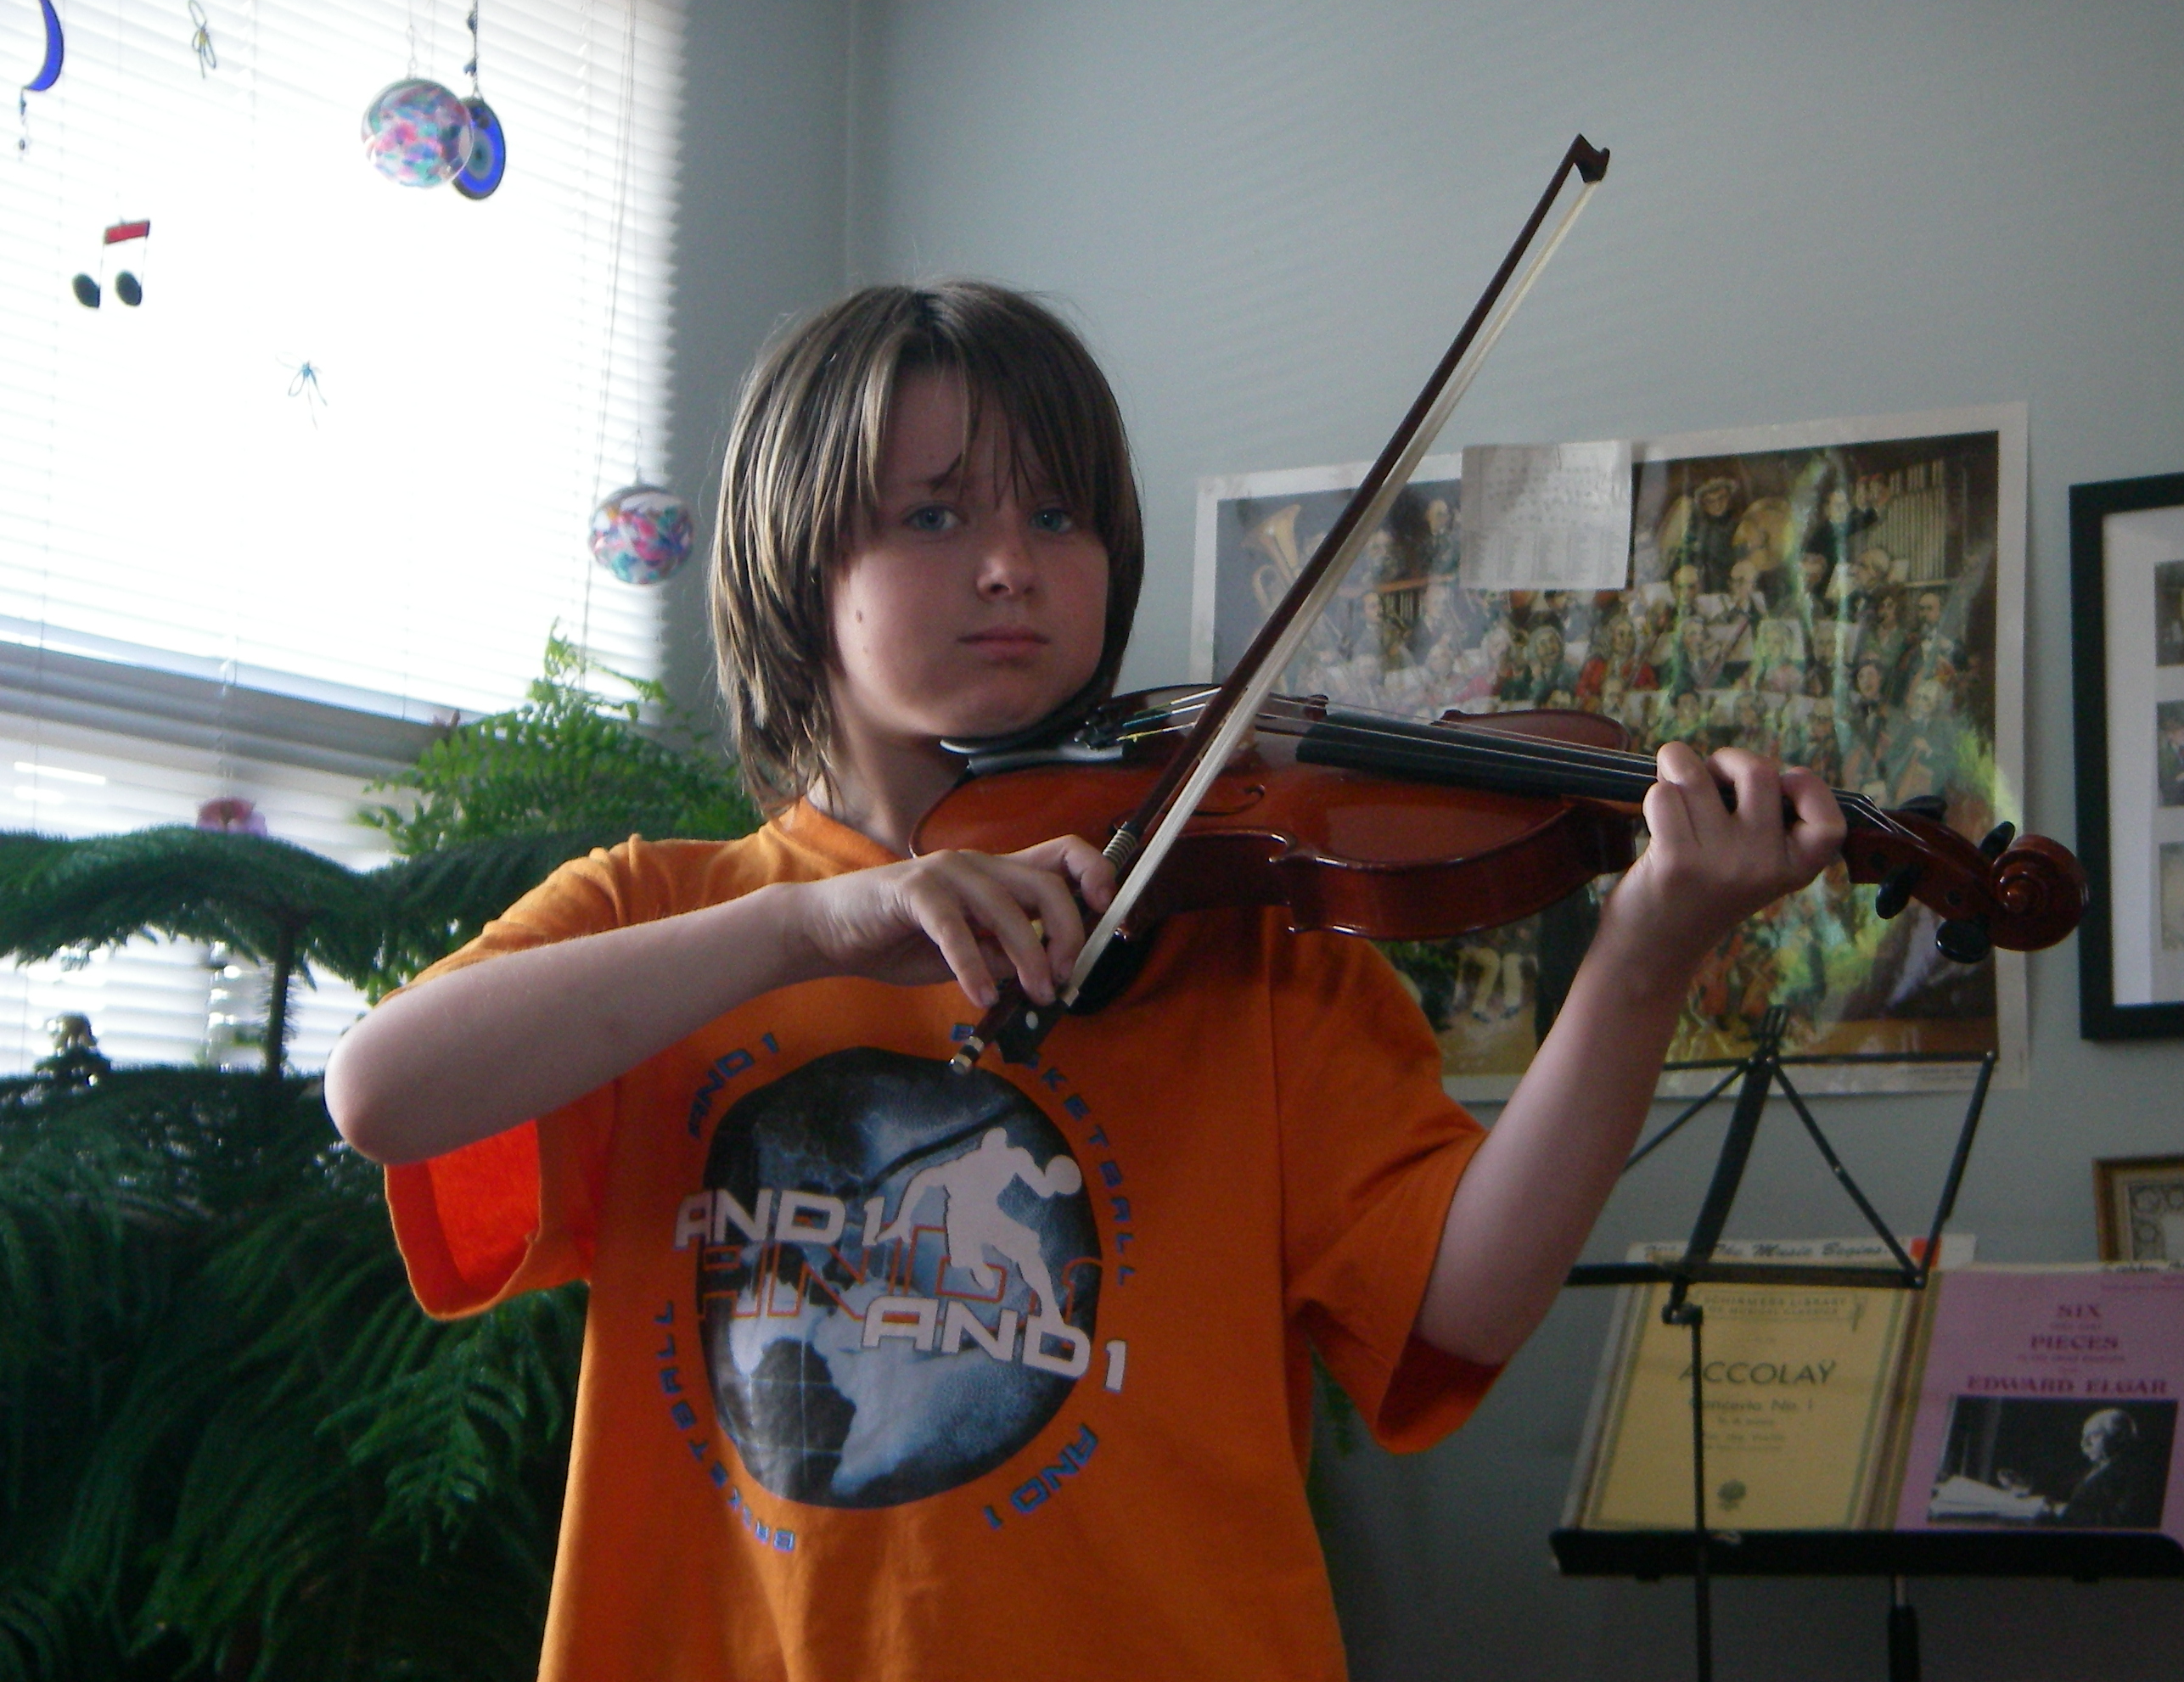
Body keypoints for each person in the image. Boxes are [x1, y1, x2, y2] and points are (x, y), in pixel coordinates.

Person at [323, 283, 1840, 1682]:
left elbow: (1465, 1301)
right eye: (932, 515)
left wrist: (1646, 957)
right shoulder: (667, 919)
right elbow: (383, 1091)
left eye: (1058, 514)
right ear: (798, 565)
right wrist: (816, 926)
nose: (1011, 566)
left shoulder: (1241, 943)